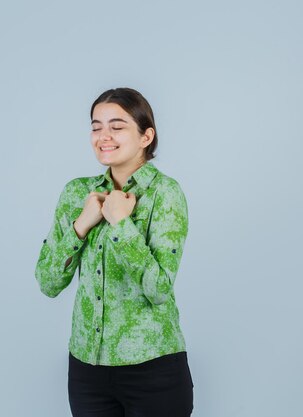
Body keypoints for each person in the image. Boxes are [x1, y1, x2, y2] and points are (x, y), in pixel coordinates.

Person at [35, 87, 194, 417]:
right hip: (87, 369)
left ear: (146, 136)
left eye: (117, 126)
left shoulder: (164, 194)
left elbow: (159, 289)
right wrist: (81, 225)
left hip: (153, 368)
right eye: (96, 126)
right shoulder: (77, 193)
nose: (103, 136)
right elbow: (48, 283)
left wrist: (122, 225)